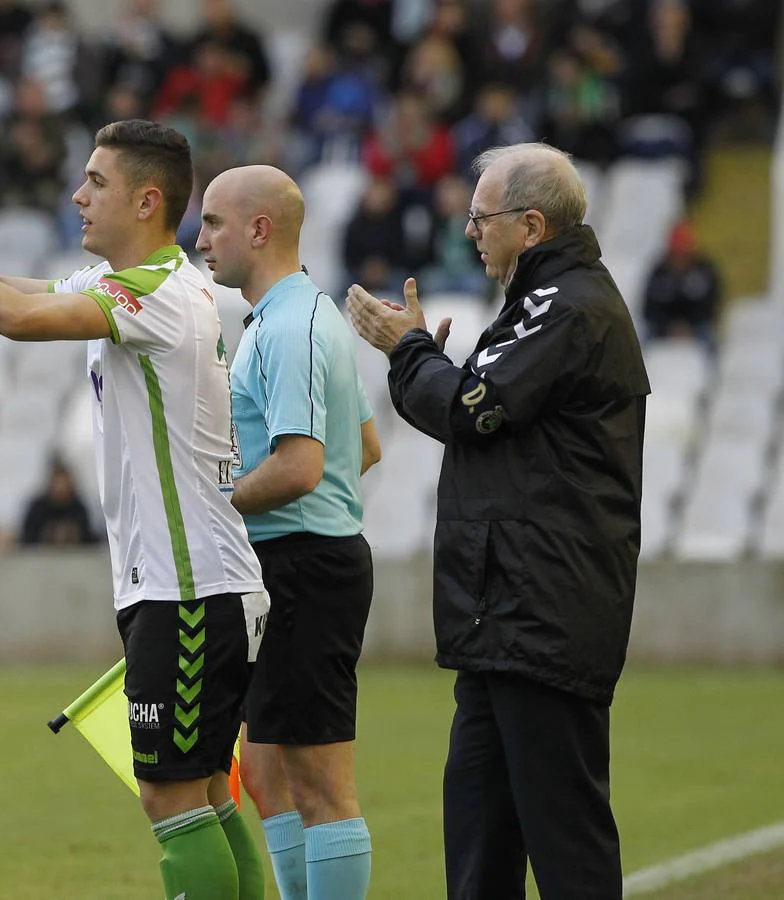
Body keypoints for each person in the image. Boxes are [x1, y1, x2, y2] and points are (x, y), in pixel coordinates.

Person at [0, 119, 269, 900]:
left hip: (188, 590)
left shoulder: (155, 298)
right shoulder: (141, 288)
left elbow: (13, 320)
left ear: (147, 201)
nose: (77, 196)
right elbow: (15, 291)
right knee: (206, 791)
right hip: (195, 586)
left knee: (172, 796)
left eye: (96, 183)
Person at [345, 142, 649, 900]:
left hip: (543, 612)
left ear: (532, 226)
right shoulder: (545, 303)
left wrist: (407, 350)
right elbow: (474, 408)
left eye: (481, 218)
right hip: (505, 619)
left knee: (565, 845)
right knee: (480, 843)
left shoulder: (569, 306)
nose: (470, 230)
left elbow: (470, 411)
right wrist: (422, 361)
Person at [196, 165, 381, 900]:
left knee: (320, 783)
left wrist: (218, 501)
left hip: (304, 566)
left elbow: (302, 466)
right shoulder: (292, 317)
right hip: (294, 562)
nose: (201, 238)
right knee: (266, 771)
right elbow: (362, 447)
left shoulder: (293, 327)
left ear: (259, 229)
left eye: (212, 222)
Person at [642, 220, 720, 348]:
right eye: (676, 254)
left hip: (696, 326)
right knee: (643, 337)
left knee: (710, 338)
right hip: (664, 328)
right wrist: (669, 327)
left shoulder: (704, 272)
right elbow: (649, 307)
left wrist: (689, 327)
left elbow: (711, 304)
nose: (680, 259)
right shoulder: (658, 273)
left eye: (684, 254)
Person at [19, 458, 97, 547]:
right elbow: (27, 539)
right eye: (57, 484)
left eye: (63, 483)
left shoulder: (78, 509)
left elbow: (88, 540)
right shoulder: (38, 509)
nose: (60, 489)